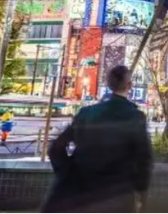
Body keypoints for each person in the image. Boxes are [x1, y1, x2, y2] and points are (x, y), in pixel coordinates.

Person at [43, 65, 152, 212]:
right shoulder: (135, 117)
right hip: (116, 195)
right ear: (130, 85)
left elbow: (56, 147)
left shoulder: (86, 113)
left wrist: (67, 172)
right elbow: (144, 159)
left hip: (78, 193)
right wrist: (141, 192)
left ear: (108, 84)